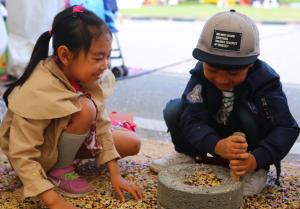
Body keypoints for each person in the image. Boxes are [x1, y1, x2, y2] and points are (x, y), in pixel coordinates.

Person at [0, 5, 143, 209]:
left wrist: (115, 175)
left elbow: (102, 124)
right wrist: (54, 201)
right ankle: (59, 171)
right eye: (98, 58)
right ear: (65, 55)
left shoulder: (84, 74)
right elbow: (21, 154)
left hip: (64, 138)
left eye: (107, 56)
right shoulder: (38, 88)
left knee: (132, 143)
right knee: (86, 108)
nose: (105, 65)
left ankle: (67, 160)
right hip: (41, 155)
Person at [150, 10, 299, 196]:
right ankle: (187, 154)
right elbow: (191, 116)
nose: (221, 79)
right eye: (212, 69)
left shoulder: (264, 81)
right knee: (175, 109)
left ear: (251, 64)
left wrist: (257, 158)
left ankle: (254, 170)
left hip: (248, 144)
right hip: (215, 132)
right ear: (203, 60)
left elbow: (286, 128)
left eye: (233, 73)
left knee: (247, 115)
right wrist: (216, 145)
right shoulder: (199, 74)